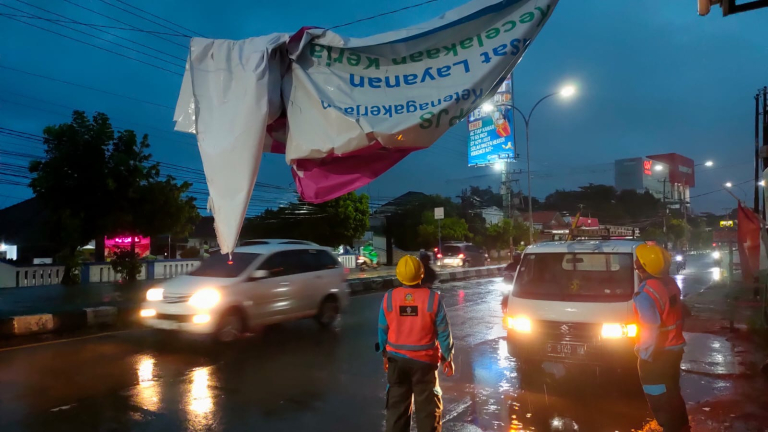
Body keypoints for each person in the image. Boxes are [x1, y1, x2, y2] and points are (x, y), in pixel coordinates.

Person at [377, 255, 454, 432]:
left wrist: (384, 355)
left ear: (399, 275)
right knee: (428, 413)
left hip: (397, 362)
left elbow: (382, 330)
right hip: (425, 364)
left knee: (396, 411)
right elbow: (444, 331)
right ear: (421, 274)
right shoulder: (433, 298)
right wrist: (447, 357)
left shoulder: (389, 298)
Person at [633, 244, 690, 432]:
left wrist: (644, 354)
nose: (636, 262)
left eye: (638, 260)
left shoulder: (645, 293)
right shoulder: (670, 283)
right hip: (675, 349)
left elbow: (650, 327)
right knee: (672, 392)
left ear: (641, 267)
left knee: (659, 398)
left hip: (657, 355)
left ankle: (672, 428)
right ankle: (682, 427)